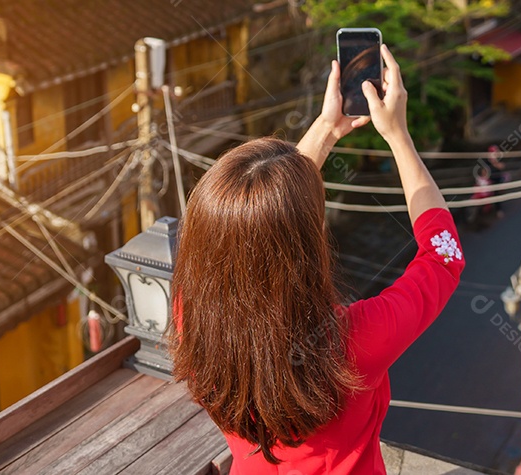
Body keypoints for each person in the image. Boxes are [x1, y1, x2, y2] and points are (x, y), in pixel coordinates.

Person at [169, 44, 465, 474]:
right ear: (305, 246)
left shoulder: (191, 315)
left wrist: (327, 127)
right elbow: (444, 256)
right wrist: (398, 136)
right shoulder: (351, 343)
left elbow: (260, 223)